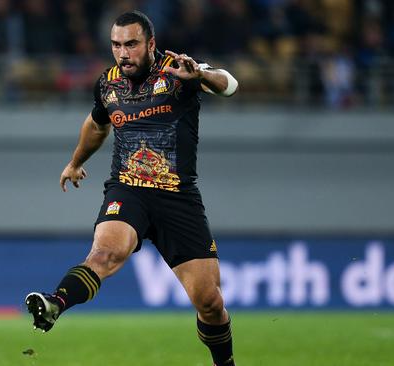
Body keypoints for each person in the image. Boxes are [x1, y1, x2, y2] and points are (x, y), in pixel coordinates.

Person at [25, 10, 238, 366]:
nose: (123, 53)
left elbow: (230, 85)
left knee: (210, 302)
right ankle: (54, 303)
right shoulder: (107, 84)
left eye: (132, 44)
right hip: (128, 191)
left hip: (178, 197)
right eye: (116, 45)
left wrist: (200, 73)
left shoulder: (178, 70)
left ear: (151, 44)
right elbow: (96, 125)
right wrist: (75, 162)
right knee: (104, 255)